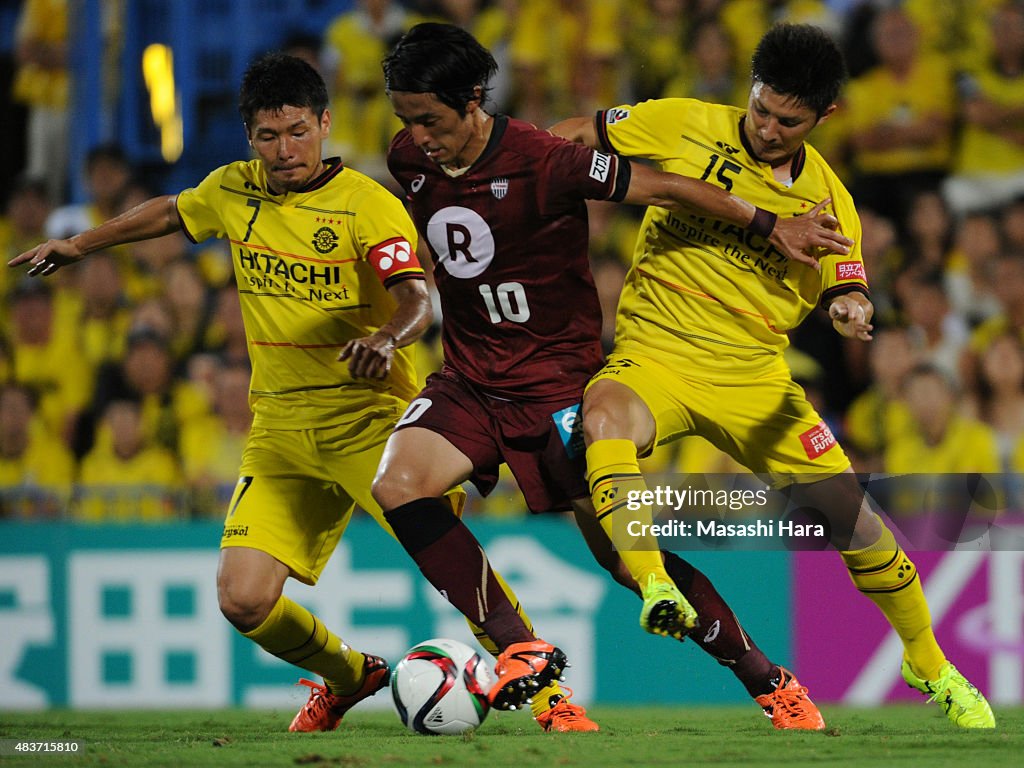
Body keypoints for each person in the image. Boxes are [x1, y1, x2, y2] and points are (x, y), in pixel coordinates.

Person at [8, 52, 547, 734]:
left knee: (447, 559)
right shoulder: (234, 190)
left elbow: (415, 296)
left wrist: (386, 340)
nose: (284, 150)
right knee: (242, 599)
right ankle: (353, 676)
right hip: (280, 432)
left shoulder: (365, 205)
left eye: (297, 131)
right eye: (268, 136)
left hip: (370, 423)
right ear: (249, 137)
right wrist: (82, 245)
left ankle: (553, 699)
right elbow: (171, 214)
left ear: (324, 124)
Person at [374, 22, 852, 730]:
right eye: (407, 119)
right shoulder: (408, 159)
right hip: (470, 378)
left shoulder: (547, 159)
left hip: (559, 386)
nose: (420, 136)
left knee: (629, 562)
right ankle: (528, 657)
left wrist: (766, 223)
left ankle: (767, 679)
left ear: (473, 99)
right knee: (399, 483)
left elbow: (665, 185)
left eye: (432, 119)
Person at [550, 22, 995, 729]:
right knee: (603, 413)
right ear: (749, 91)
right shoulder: (683, 122)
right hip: (656, 353)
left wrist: (849, 306)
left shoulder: (830, 200)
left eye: (788, 121)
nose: (767, 128)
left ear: (825, 118)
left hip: (755, 378)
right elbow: (577, 133)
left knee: (858, 527)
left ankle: (928, 663)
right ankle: (657, 584)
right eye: (760, 109)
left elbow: (846, 285)